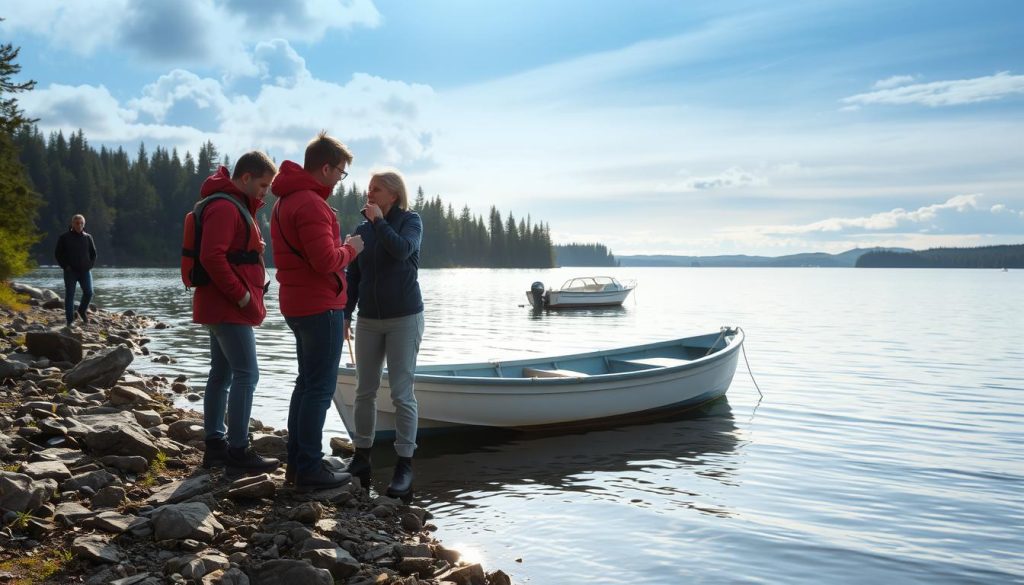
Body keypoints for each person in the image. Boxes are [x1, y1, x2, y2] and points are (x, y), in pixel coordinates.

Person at [271, 131, 364, 491]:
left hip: (298, 303)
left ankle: (298, 464)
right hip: (319, 306)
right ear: (325, 168)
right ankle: (309, 468)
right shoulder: (310, 203)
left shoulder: (286, 200)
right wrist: (352, 248)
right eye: (341, 172)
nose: (341, 180)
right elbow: (325, 261)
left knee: (306, 385)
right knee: (319, 389)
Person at [193, 151, 281, 473]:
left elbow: (226, 252)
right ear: (245, 178)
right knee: (247, 374)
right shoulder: (225, 207)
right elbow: (212, 257)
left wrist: (251, 248)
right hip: (228, 308)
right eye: (262, 184)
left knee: (222, 374)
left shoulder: (232, 205)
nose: (265, 191)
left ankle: (215, 447)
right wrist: (243, 297)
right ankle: (238, 450)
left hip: (221, 307)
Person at [343, 169, 424, 501]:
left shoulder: (411, 222)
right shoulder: (363, 229)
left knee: (402, 393)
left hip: (405, 319)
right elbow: (354, 275)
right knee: (365, 390)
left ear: (393, 193)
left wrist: (379, 223)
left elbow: (402, 250)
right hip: (369, 320)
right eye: (368, 189)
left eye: (376, 189)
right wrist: (345, 314)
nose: (369, 194)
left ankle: (404, 464)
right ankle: (361, 458)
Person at [54, 214, 97, 326]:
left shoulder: (88, 237)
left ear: (84, 224)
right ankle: (70, 321)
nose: (79, 225)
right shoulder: (64, 237)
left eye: (81, 223)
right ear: (72, 224)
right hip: (70, 272)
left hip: (85, 271)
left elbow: (93, 254)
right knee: (70, 296)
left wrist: (89, 265)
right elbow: (58, 254)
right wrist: (65, 266)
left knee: (89, 292)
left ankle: (82, 311)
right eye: (77, 223)